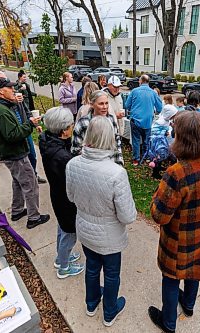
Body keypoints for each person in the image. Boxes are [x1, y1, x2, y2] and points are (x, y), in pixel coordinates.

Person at [148, 111, 200, 333]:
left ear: (180, 137)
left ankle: (168, 323)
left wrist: (158, 192)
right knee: (194, 269)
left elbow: (159, 215)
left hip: (178, 240)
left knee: (171, 278)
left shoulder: (177, 173)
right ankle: (189, 305)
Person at [65, 116, 137, 327]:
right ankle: (109, 313)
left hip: (85, 229)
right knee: (112, 274)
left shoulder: (72, 164)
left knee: (92, 267)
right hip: (110, 235)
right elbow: (128, 216)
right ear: (109, 138)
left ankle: (91, 303)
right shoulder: (117, 173)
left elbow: (70, 196)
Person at [0, 77, 50, 229]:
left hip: (10, 154)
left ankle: (17, 211)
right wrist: (30, 124)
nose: (13, 90)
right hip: (15, 154)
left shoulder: (1, 107)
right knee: (30, 184)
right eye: (9, 88)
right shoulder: (1, 111)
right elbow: (12, 135)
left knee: (18, 181)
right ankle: (34, 218)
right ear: (0, 91)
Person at [39, 107, 84, 279]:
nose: (73, 127)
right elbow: (73, 182)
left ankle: (61, 257)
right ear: (64, 130)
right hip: (66, 200)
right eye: (71, 125)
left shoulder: (46, 139)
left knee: (62, 228)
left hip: (56, 195)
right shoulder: (62, 158)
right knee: (70, 233)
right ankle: (64, 267)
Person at [72, 90, 123, 165]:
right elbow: (75, 149)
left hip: (109, 165)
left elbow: (117, 143)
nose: (105, 107)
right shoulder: (83, 123)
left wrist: (119, 164)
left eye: (106, 103)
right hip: (89, 166)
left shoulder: (111, 120)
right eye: (101, 104)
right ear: (92, 104)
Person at [125, 74, 163, 166]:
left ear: (140, 81)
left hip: (135, 120)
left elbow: (126, 105)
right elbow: (159, 107)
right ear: (148, 82)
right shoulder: (153, 93)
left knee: (136, 140)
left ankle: (136, 160)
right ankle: (146, 158)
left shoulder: (134, 91)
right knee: (147, 140)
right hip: (148, 121)